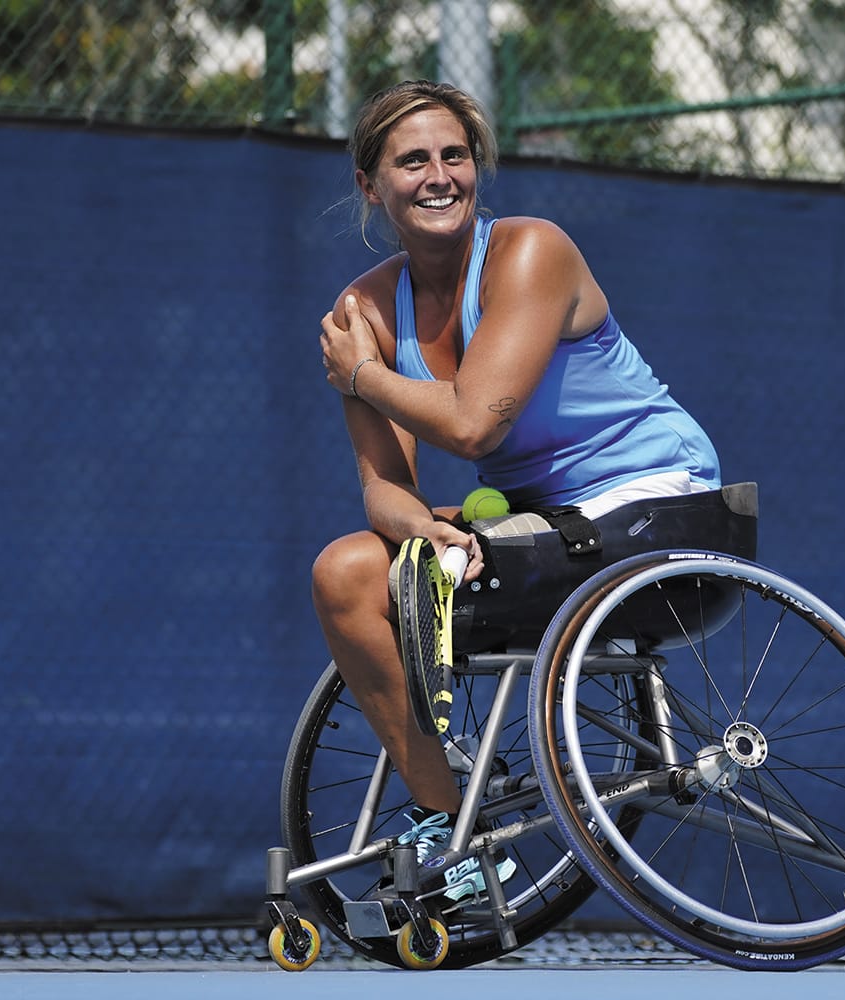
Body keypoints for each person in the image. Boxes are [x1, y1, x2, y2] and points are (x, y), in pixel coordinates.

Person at [312, 80, 722, 900]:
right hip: (546, 530)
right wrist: (421, 529)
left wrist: (362, 375)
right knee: (347, 572)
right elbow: (385, 490)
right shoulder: (365, 307)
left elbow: (474, 428)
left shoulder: (532, 251)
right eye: (412, 161)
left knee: (445, 553)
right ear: (371, 185)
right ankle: (454, 835)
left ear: (477, 168)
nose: (439, 176)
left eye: (454, 156)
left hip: (656, 504)